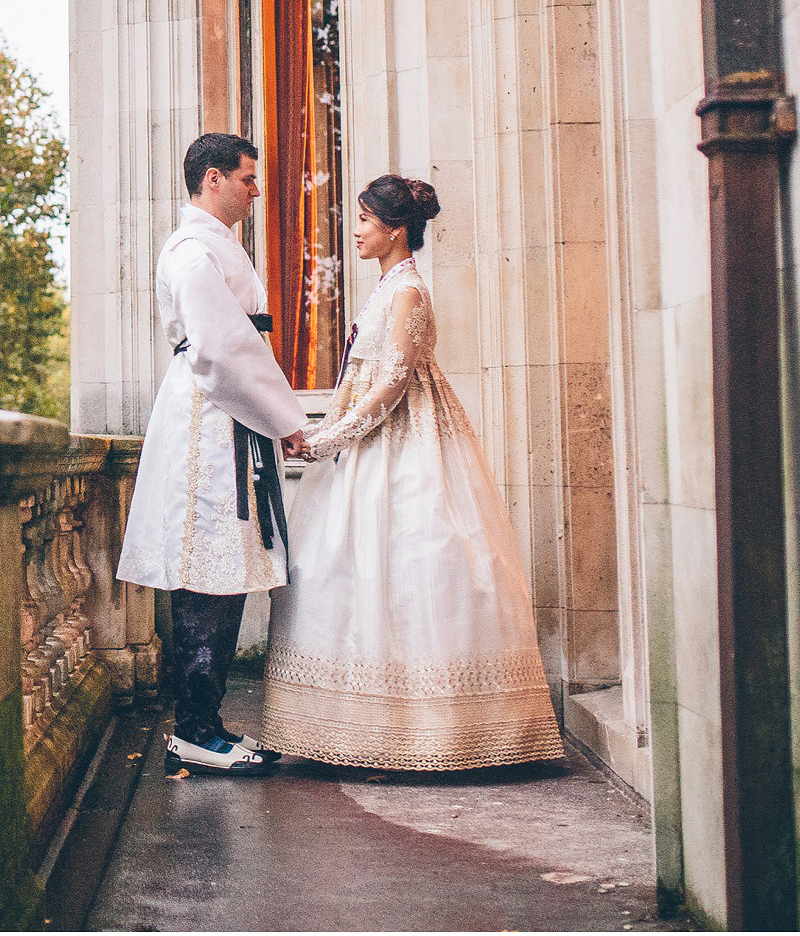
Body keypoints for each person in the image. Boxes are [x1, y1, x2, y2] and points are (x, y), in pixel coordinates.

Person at [261, 174, 563, 770]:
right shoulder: (382, 290)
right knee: (346, 569)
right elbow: (358, 377)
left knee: (413, 565)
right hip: (367, 443)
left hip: (409, 441)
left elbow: (396, 382)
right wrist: (323, 431)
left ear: (396, 230)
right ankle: (358, 726)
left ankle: (428, 732)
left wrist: (332, 439)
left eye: (366, 220)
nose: (356, 230)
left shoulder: (409, 294)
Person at [117, 132, 312, 772]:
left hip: (229, 415)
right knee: (208, 565)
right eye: (248, 179)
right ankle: (195, 730)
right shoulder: (192, 251)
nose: (257, 191)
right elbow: (219, 347)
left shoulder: (218, 247)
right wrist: (286, 417)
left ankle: (205, 723)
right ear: (212, 180)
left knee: (226, 566)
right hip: (210, 416)